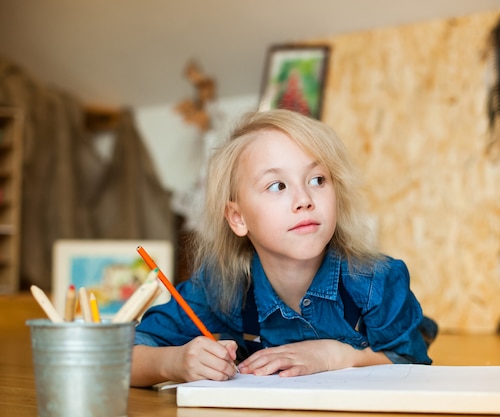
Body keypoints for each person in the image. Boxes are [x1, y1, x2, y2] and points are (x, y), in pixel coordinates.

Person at [130, 109, 436, 387]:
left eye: (317, 179)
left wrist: (335, 355)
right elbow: (123, 356)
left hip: (395, 323)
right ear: (238, 218)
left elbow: (411, 359)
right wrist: (174, 363)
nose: (304, 199)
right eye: (277, 186)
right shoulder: (221, 287)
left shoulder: (376, 280)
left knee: (420, 329)